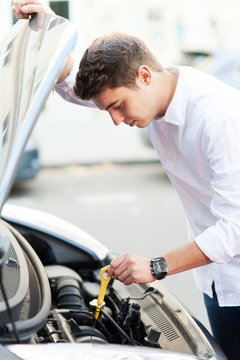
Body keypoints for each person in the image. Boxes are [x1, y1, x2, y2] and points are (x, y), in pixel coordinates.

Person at [12, 2, 240, 359]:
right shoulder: (152, 96)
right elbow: (73, 83)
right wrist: (47, 29)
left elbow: (235, 228)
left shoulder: (219, 119)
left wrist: (155, 266)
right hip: (217, 279)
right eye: (108, 111)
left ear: (145, 75)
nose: (116, 120)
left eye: (118, 106)